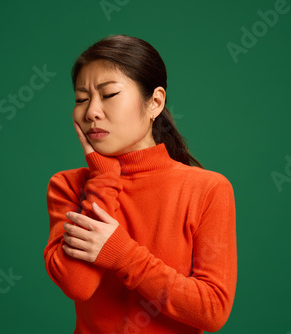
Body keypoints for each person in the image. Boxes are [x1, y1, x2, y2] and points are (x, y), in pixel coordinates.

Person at [43, 34, 237, 333]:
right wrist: (105, 177)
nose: (91, 111)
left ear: (155, 102)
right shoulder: (67, 185)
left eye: (108, 95)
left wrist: (122, 254)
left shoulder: (207, 189)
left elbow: (211, 311)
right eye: (82, 99)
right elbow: (78, 285)